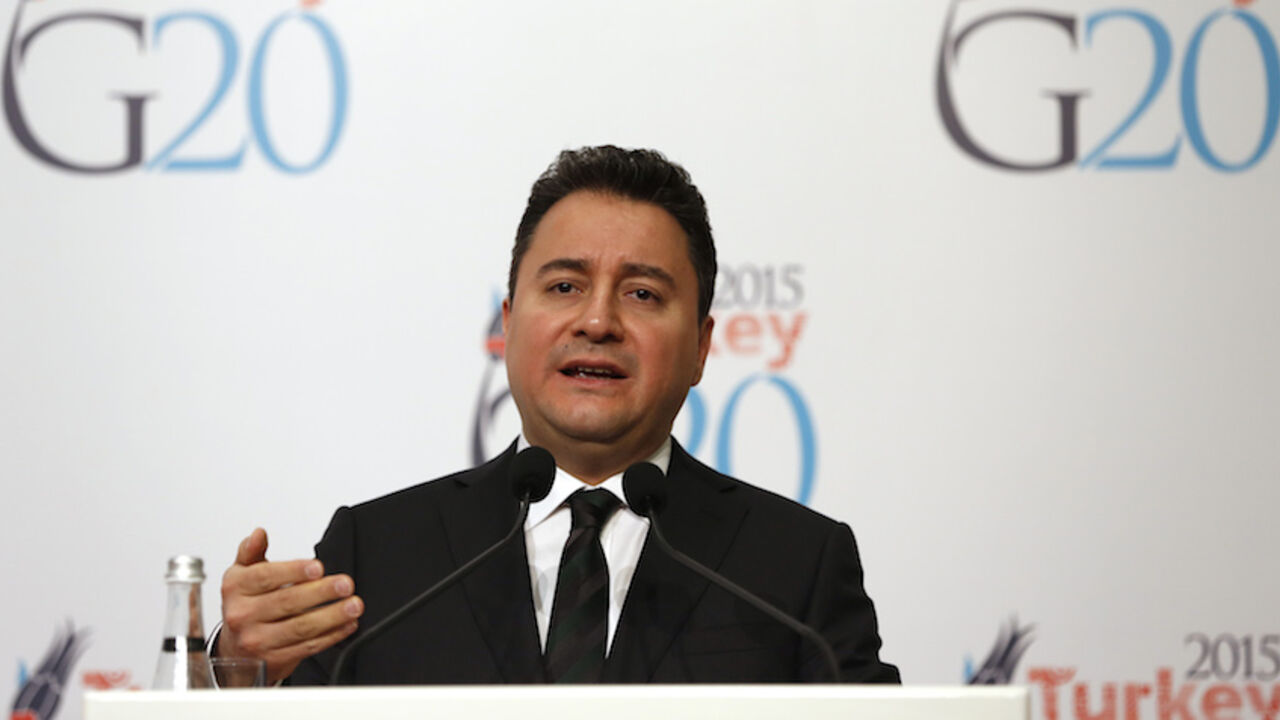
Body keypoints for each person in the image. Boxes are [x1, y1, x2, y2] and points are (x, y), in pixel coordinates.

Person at [215, 146, 899, 684]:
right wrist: (238, 673)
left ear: (700, 347)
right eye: (565, 285)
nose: (597, 321)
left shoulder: (795, 568)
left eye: (642, 294)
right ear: (509, 324)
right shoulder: (379, 555)